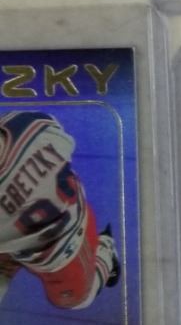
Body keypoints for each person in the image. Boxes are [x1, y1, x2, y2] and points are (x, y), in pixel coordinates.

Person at [0, 110, 119, 312]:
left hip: (66, 246)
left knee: (76, 299)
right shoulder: (29, 122)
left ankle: (106, 250)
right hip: (42, 227)